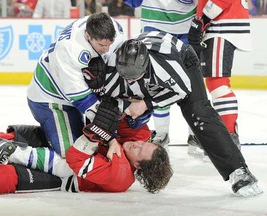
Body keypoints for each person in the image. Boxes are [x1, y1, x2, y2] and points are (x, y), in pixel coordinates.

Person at [94, 31, 262, 197]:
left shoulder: (166, 67)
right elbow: (103, 103)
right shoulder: (111, 68)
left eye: (135, 78)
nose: (130, 82)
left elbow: (182, 92)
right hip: (144, 65)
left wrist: (146, 103)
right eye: (126, 77)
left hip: (183, 61)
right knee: (117, 112)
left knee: (199, 113)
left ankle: (238, 171)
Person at [0, 101, 172, 194]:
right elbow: (117, 112)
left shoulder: (120, 176)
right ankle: (7, 148)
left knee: (7, 176)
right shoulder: (140, 137)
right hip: (71, 140)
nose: (137, 143)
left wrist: (99, 133)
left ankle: (14, 154)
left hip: (67, 174)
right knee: (1, 139)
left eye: (139, 150)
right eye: (144, 144)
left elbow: (74, 158)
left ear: (138, 165)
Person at [26, 12, 125, 158]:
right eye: (102, 45)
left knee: (89, 143)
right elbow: (83, 100)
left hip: (71, 92)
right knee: (73, 156)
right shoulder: (69, 50)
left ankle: (49, 133)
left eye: (109, 44)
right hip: (50, 100)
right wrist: (110, 137)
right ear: (88, 36)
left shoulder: (110, 26)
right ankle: (13, 148)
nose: (106, 50)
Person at [123, 0, 198, 147]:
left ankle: (195, 133)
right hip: (153, 28)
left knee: (191, 85)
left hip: (186, 29)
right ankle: (162, 132)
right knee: (156, 83)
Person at [187, 0, 253, 153]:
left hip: (222, 26)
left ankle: (228, 138)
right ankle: (227, 136)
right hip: (221, 24)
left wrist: (203, 19)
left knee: (218, 83)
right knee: (215, 82)